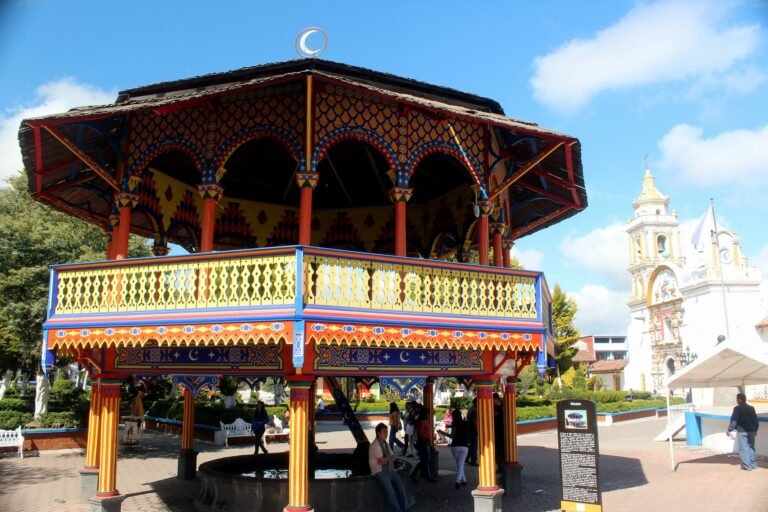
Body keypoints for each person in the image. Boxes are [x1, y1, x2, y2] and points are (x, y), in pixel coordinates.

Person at [369, 423, 409, 512]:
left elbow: (392, 457)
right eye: (384, 432)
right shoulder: (375, 445)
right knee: (391, 492)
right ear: (378, 433)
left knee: (401, 488)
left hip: (390, 469)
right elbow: (382, 461)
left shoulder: (385, 444)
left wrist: (389, 458)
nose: (386, 433)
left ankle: (405, 508)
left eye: (387, 431)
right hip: (379, 471)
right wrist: (390, 458)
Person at [727, 392, 759, 471]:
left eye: (737, 399)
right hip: (752, 431)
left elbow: (734, 421)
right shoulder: (751, 408)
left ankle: (747, 466)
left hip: (742, 431)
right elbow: (756, 421)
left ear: (740, 399)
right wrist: (755, 430)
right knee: (751, 447)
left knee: (743, 448)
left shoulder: (737, 408)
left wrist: (729, 429)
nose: (736, 401)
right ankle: (753, 464)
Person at [438, 408, 468, 489]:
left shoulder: (455, 424)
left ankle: (459, 481)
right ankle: (463, 480)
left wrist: (441, 432)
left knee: (459, 463)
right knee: (460, 463)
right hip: (465, 446)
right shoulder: (466, 423)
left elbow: (452, 436)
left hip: (455, 446)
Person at [409, 406, 436, 482]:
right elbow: (420, 433)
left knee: (424, 461)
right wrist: (427, 438)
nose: (428, 415)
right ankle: (428, 477)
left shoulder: (423, 421)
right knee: (426, 461)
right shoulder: (422, 422)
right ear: (425, 414)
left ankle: (414, 474)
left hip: (425, 442)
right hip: (424, 442)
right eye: (427, 413)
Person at [466, 397, 478, 466]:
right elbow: (475, 421)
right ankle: (473, 460)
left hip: (469, 429)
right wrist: (477, 430)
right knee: (474, 446)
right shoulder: (475, 410)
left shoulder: (470, 409)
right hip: (473, 430)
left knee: (471, 445)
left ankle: (467, 458)